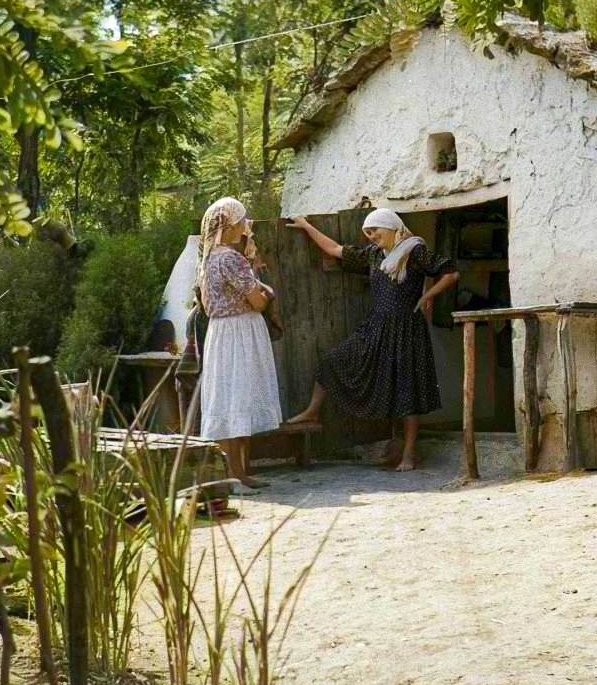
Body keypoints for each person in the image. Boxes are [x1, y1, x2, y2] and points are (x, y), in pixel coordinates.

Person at [284, 208, 458, 471]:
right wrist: (307, 226)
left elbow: (450, 273)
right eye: (368, 232)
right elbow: (334, 250)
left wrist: (426, 296)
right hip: (377, 326)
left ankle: (409, 453)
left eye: (376, 230)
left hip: (407, 329)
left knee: (406, 390)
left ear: (392, 227)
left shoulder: (414, 251)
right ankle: (313, 410)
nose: (372, 235)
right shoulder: (373, 256)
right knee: (333, 359)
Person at [196, 196, 282, 492]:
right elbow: (257, 302)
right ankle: (235, 473)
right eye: (243, 219)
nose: (247, 224)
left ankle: (237, 472)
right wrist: (267, 294)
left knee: (230, 397)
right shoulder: (230, 258)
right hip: (239, 333)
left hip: (222, 333)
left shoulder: (210, 258)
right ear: (231, 224)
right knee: (238, 396)